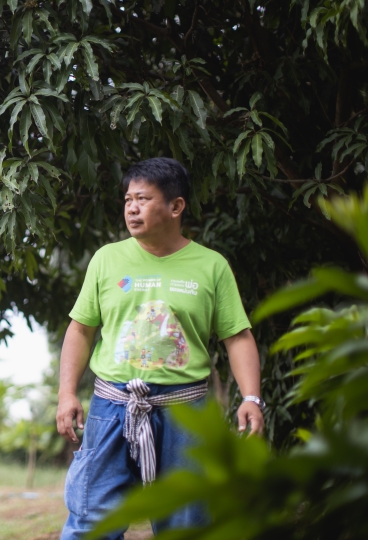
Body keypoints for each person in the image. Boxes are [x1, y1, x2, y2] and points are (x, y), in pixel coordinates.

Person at [55, 157, 265, 540]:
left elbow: (237, 336)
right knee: (90, 518)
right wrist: (67, 392)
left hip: (186, 411)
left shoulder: (211, 266)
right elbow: (81, 330)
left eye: (143, 198)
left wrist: (251, 396)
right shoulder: (107, 259)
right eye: (127, 199)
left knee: (188, 521)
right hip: (112, 406)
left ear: (176, 206)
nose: (131, 208)